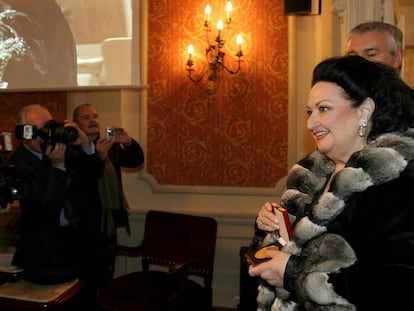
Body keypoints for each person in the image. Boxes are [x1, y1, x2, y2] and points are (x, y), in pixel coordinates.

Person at [248, 55, 414, 310]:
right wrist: (268, 227)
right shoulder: (309, 174)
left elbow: (396, 288)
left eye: (323, 109)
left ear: (365, 110)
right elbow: (287, 248)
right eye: (309, 111)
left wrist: (294, 275)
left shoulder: (396, 182)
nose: (311, 123)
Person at [10, 104, 108, 308]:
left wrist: (85, 145)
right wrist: (57, 168)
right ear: (25, 133)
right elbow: (44, 209)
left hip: (80, 244)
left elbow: (91, 178)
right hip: (47, 254)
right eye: (36, 131)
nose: (43, 136)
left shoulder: (60, 150)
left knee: (89, 299)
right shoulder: (17, 163)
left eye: (47, 128)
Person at [72, 103, 144, 240]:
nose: (92, 120)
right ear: (76, 124)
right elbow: (83, 180)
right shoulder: (72, 149)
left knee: (108, 259)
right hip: (83, 220)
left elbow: (136, 161)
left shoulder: (108, 145)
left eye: (95, 116)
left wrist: (128, 142)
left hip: (109, 216)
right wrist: (98, 157)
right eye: (86, 117)